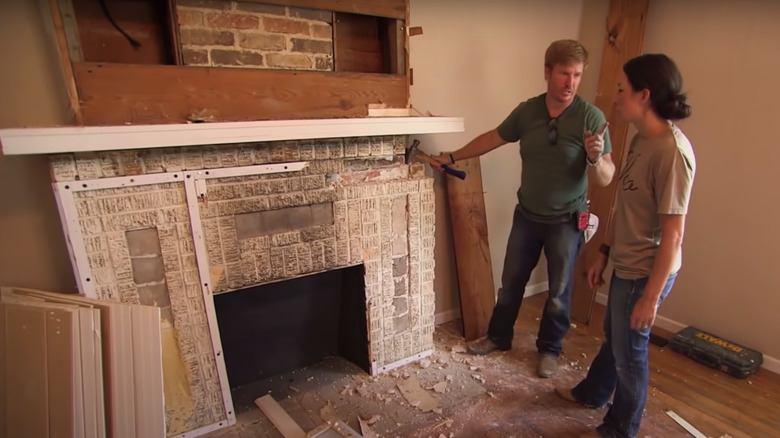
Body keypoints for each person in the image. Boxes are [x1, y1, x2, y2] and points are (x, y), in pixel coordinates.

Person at [435, 39, 616, 378]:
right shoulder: (528, 111)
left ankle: (550, 350)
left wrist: (595, 157)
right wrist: (453, 156)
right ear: (548, 72)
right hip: (528, 215)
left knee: (559, 292)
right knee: (511, 282)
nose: (571, 82)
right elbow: (493, 137)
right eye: (564, 73)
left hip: (566, 220)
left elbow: (606, 176)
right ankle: (499, 336)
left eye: (577, 75)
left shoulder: (591, 117)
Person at [554, 53, 696, 438]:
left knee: (630, 352)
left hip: (646, 273)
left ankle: (621, 429)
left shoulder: (672, 154)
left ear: (644, 95)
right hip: (626, 263)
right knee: (617, 336)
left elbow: (674, 235)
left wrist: (650, 297)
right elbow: (624, 203)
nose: (616, 97)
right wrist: (604, 252)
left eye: (622, 89)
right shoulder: (640, 140)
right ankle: (592, 393)